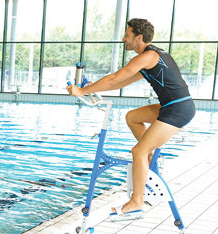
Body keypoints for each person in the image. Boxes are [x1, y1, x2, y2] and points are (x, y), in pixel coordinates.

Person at [67, 18, 195, 220]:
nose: (123, 39)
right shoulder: (150, 57)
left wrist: (82, 90)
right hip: (171, 106)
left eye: (127, 35)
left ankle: (137, 202)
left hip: (177, 109)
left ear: (139, 37)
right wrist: (92, 88)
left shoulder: (148, 56)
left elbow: (115, 78)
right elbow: (119, 83)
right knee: (133, 117)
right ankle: (150, 157)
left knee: (138, 151)